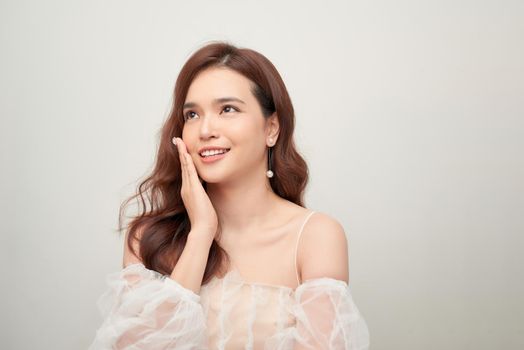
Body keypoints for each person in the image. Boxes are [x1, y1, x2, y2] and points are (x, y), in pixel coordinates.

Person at [89, 41, 370, 349]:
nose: (205, 129)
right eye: (192, 115)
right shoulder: (147, 237)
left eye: (228, 109)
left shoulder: (315, 237)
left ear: (271, 128)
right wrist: (201, 232)